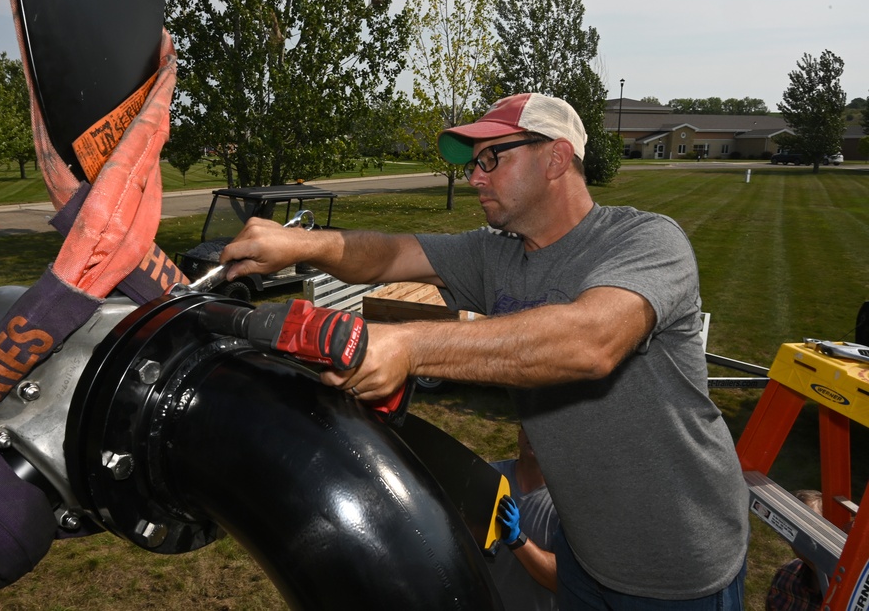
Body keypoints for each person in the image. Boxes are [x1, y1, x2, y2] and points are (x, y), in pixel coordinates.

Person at [221, 92, 750, 608]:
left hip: (682, 566)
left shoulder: (646, 241)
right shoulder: (495, 254)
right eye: (475, 163)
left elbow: (591, 342)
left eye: (492, 159)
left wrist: (409, 344)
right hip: (585, 554)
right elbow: (388, 256)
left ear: (556, 158)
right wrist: (302, 245)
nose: (475, 176)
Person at [490, 426, 559, 610]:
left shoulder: (566, 505)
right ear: (519, 434)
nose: (535, 432)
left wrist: (517, 540)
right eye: (529, 426)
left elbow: (562, 580)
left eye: (545, 428)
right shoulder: (490, 478)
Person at [765, 490, 824, 611]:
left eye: (815, 527)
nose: (807, 539)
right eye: (795, 530)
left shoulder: (859, 592)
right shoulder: (786, 576)